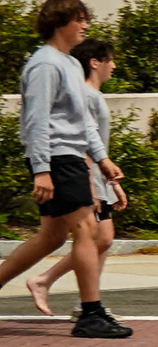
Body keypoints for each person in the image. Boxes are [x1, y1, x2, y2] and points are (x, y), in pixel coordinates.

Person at [0, 0, 129, 337]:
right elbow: (37, 120)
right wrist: (41, 168)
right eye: (79, 19)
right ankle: (90, 314)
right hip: (57, 155)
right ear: (60, 22)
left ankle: (90, 312)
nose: (85, 25)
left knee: (52, 236)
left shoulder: (71, 64)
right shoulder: (45, 65)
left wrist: (101, 159)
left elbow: (82, 120)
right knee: (87, 229)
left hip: (70, 154)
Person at [26, 38, 120, 317]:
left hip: (93, 177)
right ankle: (53, 285)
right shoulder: (86, 94)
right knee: (95, 237)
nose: (113, 66)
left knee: (89, 237)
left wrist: (111, 184)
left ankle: (76, 296)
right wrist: (93, 183)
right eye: (110, 60)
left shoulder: (91, 95)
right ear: (94, 62)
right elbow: (82, 139)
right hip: (81, 173)